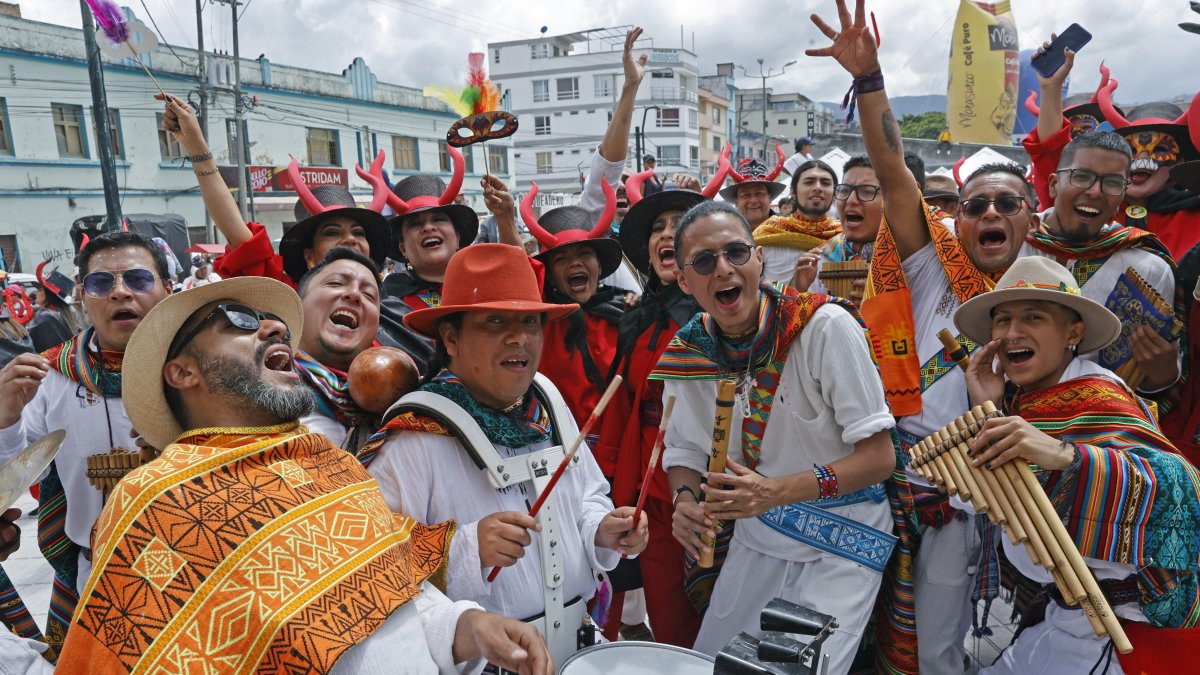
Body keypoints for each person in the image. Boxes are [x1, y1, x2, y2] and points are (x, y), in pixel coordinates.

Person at [56, 275, 553, 674]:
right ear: (184, 372)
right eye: (240, 321)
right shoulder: (153, 500)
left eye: (274, 322)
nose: (274, 329)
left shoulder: (329, 464)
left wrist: (468, 627)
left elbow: (390, 604)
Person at [808, 5, 1033, 672]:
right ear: (955, 218)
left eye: (1007, 204)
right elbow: (893, 169)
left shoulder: (1051, 290)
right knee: (916, 645)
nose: (990, 213)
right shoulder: (932, 258)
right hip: (909, 488)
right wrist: (871, 77)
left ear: (1031, 217)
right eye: (975, 205)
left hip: (1012, 497)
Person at [359, 244, 648, 666]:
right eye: (496, 321)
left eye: (531, 321)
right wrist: (465, 547)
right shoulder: (413, 436)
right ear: (451, 337)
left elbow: (587, 495)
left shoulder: (548, 399)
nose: (520, 338)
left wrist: (601, 528)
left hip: (580, 646)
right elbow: (376, 567)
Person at [656, 200, 896, 672]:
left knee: (793, 669)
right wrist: (685, 501)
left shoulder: (824, 328)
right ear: (684, 280)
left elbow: (879, 457)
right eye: (705, 262)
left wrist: (773, 493)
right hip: (756, 536)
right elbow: (683, 450)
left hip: (843, 541)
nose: (724, 269)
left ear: (759, 258)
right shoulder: (689, 352)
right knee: (713, 664)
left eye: (737, 253)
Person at [957, 256, 1200, 675]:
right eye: (1002, 320)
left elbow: (1183, 491)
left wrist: (1067, 456)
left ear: (1074, 332)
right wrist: (987, 408)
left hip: (1122, 630)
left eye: (1033, 316)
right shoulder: (1022, 400)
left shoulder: (1099, 397)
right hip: (1068, 615)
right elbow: (979, 500)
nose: (1013, 332)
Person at [0, 232, 172, 651]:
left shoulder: (206, 364)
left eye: (138, 279)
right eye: (101, 283)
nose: (119, 293)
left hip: (204, 567)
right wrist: (6, 418)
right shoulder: (50, 375)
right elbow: (14, 477)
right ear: (81, 295)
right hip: (92, 573)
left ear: (168, 288)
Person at [590, 160, 729, 648]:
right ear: (649, 252)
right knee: (668, 608)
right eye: (658, 228)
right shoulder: (634, 318)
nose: (667, 234)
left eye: (679, 225)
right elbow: (621, 407)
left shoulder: (725, 312)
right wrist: (612, 479)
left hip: (716, 482)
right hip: (650, 483)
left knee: (721, 605)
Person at [156, 94, 393, 290]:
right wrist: (197, 148)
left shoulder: (392, 307)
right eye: (332, 232)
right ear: (309, 256)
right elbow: (238, 234)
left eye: (359, 232)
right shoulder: (286, 296)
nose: (351, 239)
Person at [293, 248, 385, 453]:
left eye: (369, 295)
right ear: (296, 306)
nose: (354, 295)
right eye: (335, 283)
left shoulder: (396, 411)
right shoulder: (250, 391)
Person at [794, 156, 883, 304]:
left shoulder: (910, 257)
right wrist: (800, 292)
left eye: (867, 191)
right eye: (845, 190)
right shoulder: (821, 260)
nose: (851, 200)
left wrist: (886, 304)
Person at [752, 159, 840, 285]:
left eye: (825, 183)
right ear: (793, 191)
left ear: (834, 193)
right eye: (809, 182)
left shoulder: (845, 238)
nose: (818, 187)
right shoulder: (769, 231)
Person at [721, 150, 787, 231]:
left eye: (759, 193)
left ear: (770, 198)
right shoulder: (724, 234)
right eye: (746, 195)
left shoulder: (788, 229)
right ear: (736, 201)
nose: (753, 200)